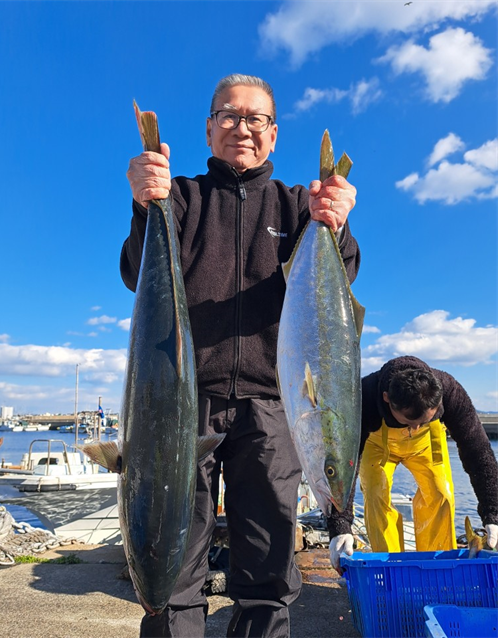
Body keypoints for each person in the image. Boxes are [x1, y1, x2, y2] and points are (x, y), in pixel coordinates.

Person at [121, 74, 360, 638]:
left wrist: (337, 224)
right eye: (229, 116)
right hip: (185, 405)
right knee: (173, 566)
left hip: (275, 407)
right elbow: (136, 273)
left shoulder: (297, 205)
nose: (242, 128)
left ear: (273, 134)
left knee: (268, 570)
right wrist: (145, 204)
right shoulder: (180, 198)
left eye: (256, 119)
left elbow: (341, 278)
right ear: (209, 129)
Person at [327, 355, 498, 570]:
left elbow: (478, 453)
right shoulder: (363, 399)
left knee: (440, 493)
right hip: (377, 443)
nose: (415, 428)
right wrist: (340, 525)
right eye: (410, 421)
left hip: (426, 443)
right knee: (375, 493)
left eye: (423, 421)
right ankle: (390, 567)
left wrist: (493, 513)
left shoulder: (450, 391)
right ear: (387, 398)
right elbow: (344, 465)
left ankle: (436, 568)